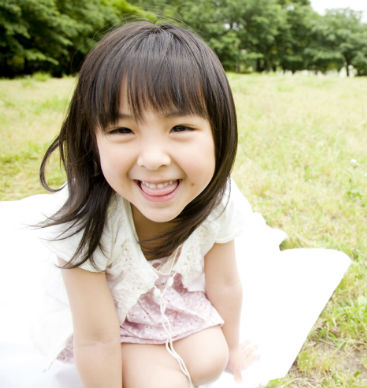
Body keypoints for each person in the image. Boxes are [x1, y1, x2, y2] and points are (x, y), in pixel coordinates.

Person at [36, 21, 255, 387]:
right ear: (92, 140)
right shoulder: (85, 221)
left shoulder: (218, 199)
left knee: (211, 360)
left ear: (220, 131)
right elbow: (96, 338)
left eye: (180, 128)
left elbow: (226, 285)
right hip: (109, 318)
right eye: (122, 130)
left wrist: (232, 350)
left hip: (169, 300)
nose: (153, 158)